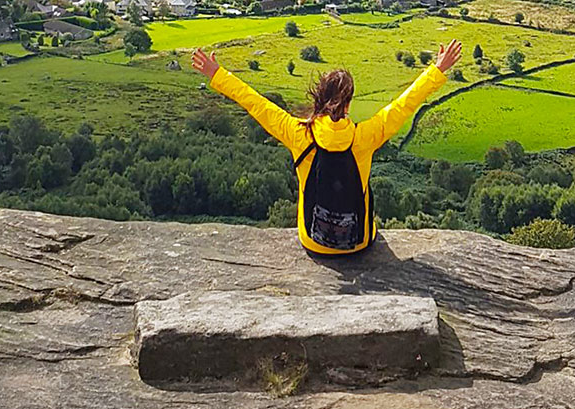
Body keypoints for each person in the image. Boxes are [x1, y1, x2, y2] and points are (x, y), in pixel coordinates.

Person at [192, 39, 462, 255]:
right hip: (359, 243)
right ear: (348, 104)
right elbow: (405, 104)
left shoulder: (298, 133)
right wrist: (436, 70)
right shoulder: (365, 136)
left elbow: (256, 103)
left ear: (318, 98)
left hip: (312, 242)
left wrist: (218, 75)